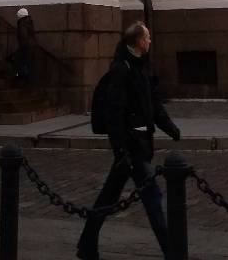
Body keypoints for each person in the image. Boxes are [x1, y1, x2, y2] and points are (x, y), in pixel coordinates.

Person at [77, 21, 180, 260]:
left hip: (140, 144)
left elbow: (153, 104)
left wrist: (170, 127)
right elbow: (115, 115)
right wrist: (121, 151)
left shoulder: (142, 67)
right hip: (132, 147)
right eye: (148, 38)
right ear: (139, 42)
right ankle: (173, 252)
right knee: (153, 198)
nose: (151, 41)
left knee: (108, 197)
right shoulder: (122, 70)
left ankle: (86, 244)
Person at [13, 6, 35, 83]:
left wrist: (22, 46)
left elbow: (23, 35)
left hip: (25, 46)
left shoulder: (22, 24)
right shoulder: (29, 22)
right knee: (26, 61)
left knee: (20, 61)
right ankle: (25, 76)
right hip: (31, 45)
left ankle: (23, 76)